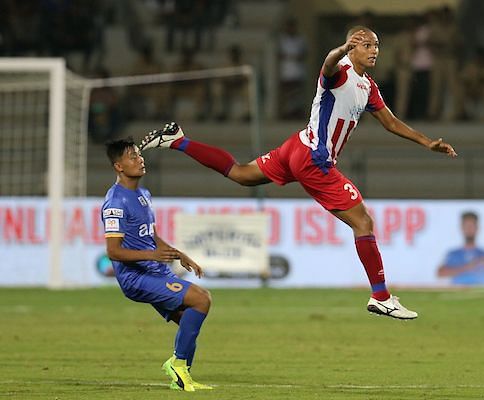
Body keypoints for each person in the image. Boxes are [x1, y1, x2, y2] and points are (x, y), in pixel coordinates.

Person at [140, 26, 458, 320]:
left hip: (297, 146)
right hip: (313, 159)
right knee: (363, 222)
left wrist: (427, 142)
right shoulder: (339, 73)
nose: (374, 50)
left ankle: (178, 140)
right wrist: (341, 49)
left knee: (240, 173)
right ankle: (381, 296)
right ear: (352, 48)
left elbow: (390, 122)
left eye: (376, 45)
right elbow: (328, 62)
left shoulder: (368, 86)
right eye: (366, 45)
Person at [101, 138, 213, 392]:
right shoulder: (115, 203)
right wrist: (152, 257)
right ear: (118, 166)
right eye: (132, 157)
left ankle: (181, 376)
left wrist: (178, 253)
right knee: (202, 299)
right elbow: (113, 251)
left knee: (189, 321)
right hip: (136, 277)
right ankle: (177, 365)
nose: (140, 160)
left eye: (139, 155)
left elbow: (149, 235)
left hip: (155, 271)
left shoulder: (143, 194)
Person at [437, 211, 484, 285]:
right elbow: (440, 273)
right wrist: (468, 267)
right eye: (467, 226)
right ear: (462, 228)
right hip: (459, 293)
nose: (469, 229)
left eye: (472, 226)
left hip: (483, 294)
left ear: (477, 228)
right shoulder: (454, 254)